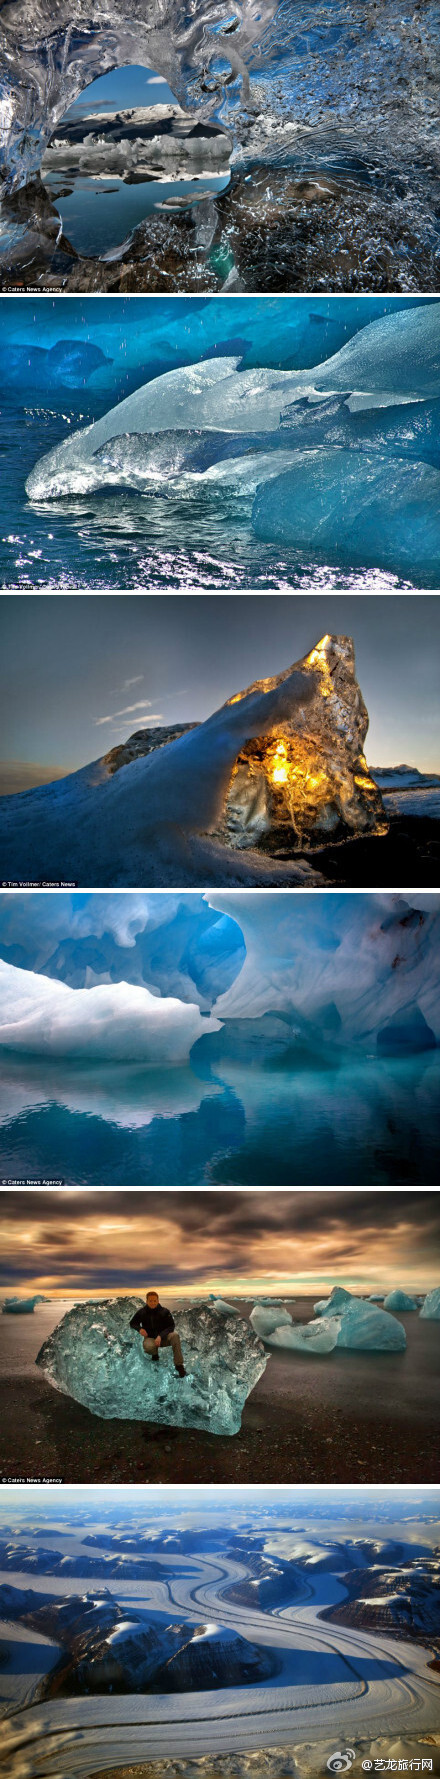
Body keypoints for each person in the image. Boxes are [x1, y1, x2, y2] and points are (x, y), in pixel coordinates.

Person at [129, 1290, 186, 1377]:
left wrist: (160, 1336)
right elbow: (132, 1323)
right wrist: (140, 1329)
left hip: (164, 1338)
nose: (152, 1303)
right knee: (147, 1346)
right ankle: (155, 1355)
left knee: (175, 1336)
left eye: (154, 1300)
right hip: (151, 1338)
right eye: (150, 1301)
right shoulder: (142, 1312)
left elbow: (171, 1326)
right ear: (147, 1301)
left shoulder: (164, 1311)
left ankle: (179, 1365)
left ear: (158, 1301)